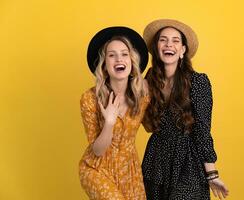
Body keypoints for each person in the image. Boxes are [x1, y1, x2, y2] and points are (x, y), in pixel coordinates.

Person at [141, 19, 229, 199]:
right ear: (156, 48)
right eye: (163, 40)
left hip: (187, 161)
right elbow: (147, 124)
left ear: (182, 50)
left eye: (175, 40)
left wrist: (212, 174)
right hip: (156, 160)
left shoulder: (198, 82)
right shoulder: (148, 80)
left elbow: (203, 130)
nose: (169, 44)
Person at [79, 26, 149, 200]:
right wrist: (109, 123)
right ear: (104, 64)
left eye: (125, 54)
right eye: (112, 55)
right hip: (97, 168)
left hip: (129, 171)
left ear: (132, 62)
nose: (119, 59)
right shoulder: (90, 98)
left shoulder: (143, 96)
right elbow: (97, 150)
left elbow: (154, 124)